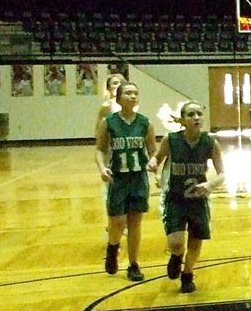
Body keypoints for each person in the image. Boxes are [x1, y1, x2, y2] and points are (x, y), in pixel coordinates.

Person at [148, 101, 226, 293]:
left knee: (196, 239)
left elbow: (223, 174)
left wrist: (209, 184)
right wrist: (152, 163)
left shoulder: (210, 143)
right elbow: (157, 158)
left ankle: (188, 273)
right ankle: (176, 256)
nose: (196, 118)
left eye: (199, 114)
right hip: (175, 198)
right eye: (191, 114)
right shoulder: (171, 140)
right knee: (176, 242)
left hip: (198, 200)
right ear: (183, 120)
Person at [95, 81, 158, 282]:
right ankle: (113, 248)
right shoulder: (109, 122)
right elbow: (100, 149)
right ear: (119, 97)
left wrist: (154, 166)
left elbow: (152, 151)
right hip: (118, 178)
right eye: (128, 93)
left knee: (135, 223)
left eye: (135, 93)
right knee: (118, 222)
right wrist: (102, 168)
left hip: (138, 177)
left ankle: (133, 264)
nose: (132, 96)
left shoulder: (145, 123)